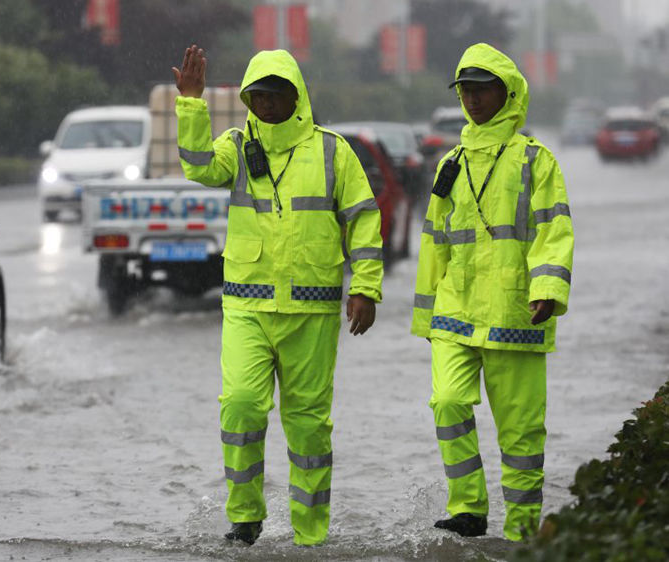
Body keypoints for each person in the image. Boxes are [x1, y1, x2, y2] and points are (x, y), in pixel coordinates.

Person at [173, 45, 384, 546]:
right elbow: (199, 167)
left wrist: (366, 288)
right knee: (241, 406)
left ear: (297, 96)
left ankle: (311, 535)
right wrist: (191, 104)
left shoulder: (333, 150)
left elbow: (363, 219)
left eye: (275, 94)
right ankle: (244, 518)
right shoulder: (235, 144)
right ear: (248, 100)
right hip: (247, 305)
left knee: (309, 428)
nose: (266, 104)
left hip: (312, 311)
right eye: (257, 96)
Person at [411, 43, 574, 541]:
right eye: (466, 90)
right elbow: (434, 239)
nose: (473, 99)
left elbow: (554, 230)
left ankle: (523, 532)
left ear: (509, 93)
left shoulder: (535, 161)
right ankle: (469, 508)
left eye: (483, 89)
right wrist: (425, 316)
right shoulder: (451, 162)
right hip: (455, 312)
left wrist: (547, 289)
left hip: (515, 312)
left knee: (521, 434)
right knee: (447, 403)